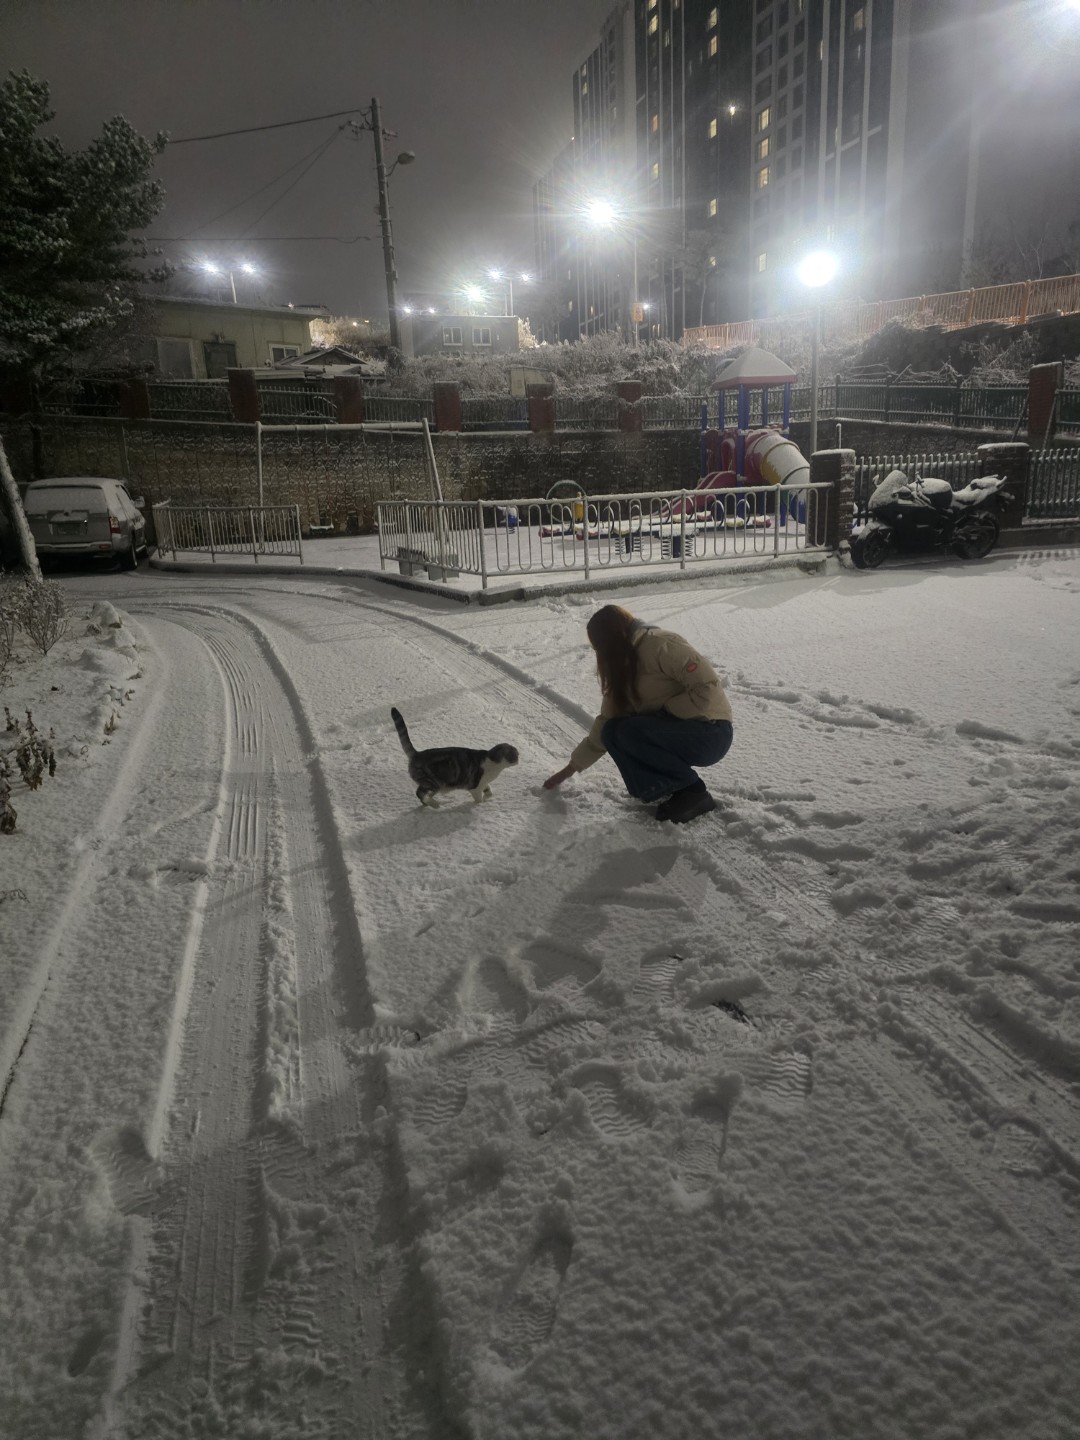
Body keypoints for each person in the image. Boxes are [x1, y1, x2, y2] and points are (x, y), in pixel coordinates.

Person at [543, 604, 733, 823]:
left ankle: (694, 793)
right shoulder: (622, 666)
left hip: (711, 732)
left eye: (601, 648)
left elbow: (707, 688)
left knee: (630, 730)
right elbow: (606, 721)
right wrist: (571, 768)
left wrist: (666, 711)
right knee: (613, 731)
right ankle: (666, 789)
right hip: (674, 733)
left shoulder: (660, 644)